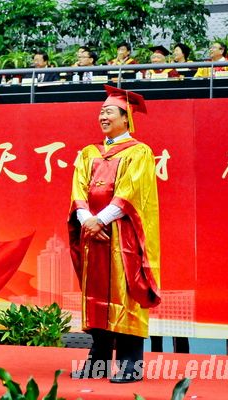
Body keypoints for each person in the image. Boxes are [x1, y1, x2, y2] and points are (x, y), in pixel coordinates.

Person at [68, 85, 161, 383]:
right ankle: (98, 362)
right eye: (101, 112)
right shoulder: (88, 153)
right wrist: (87, 220)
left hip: (122, 237)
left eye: (109, 112)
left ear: (126, 118)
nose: (103, 117)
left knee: (127, 294)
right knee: (96, 296)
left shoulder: (139, 152)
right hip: (94, 237)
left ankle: (131, 364)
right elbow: (78, 189)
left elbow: (131, 193)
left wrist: (101, 220)